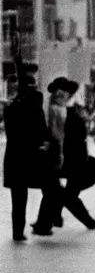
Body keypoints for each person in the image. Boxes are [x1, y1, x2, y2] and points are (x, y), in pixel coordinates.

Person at [32, 77, 95, 235]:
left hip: (67, 157)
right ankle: (50, 220)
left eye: (61, 93)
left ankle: (49, 222)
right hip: (72, 157)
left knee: (60, 193)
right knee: (57, 192)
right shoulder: (71, 111)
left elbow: (60, 135)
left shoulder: (66, 112)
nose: (58, 96)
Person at [2, 78, 48, 242]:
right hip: (31, 157)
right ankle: (44, 222)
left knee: (18, 198)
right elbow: (41, 132)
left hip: (14, 157)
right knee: (48, 188)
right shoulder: (34, 109)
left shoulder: (11, 108)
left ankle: (17, 231)